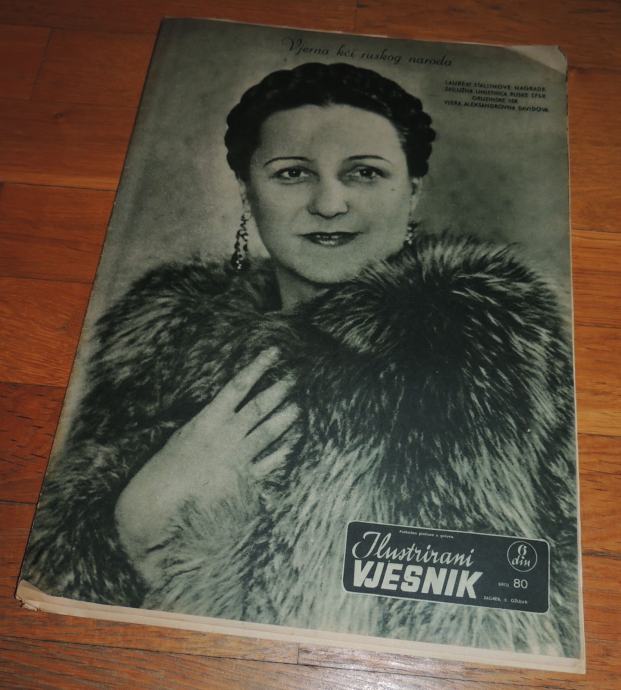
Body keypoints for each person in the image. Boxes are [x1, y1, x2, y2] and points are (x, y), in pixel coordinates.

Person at [23, 62, 579, 657]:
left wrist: (176, 548)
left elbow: (487, 620)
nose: (330, 203)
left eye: (364, 173)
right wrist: (130, 525)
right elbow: (54, 595)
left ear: (413, 190)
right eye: (292, 173)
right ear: (247, 191)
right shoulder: (159, 340)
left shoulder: (476, 345)